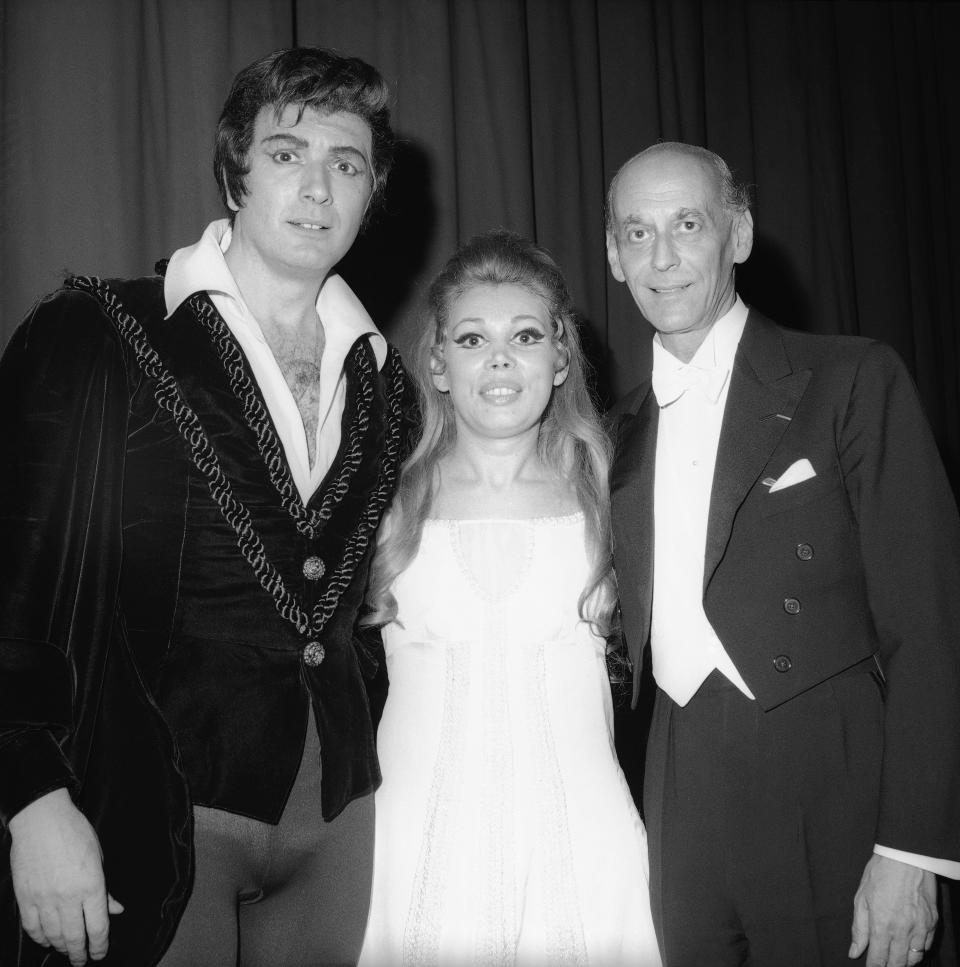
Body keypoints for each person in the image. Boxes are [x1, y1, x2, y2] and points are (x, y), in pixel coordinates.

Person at [0, 47, 409, 967]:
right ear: (235, 170)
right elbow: (11, 584)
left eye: (345, 164)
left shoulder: (389, 386)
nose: (316, 188)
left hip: (337, 821)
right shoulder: (98, 334)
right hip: (152, 807)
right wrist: (30, 798)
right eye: (286, 154)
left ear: (371, 190)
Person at [604, 140, 960, 967]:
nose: (661, 256)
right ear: (614, 256)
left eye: (687, 224)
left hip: (828, 767)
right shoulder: (609, 432)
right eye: (636, 232)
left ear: (739, 234)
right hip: (673, 777)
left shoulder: (851, 377)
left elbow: (932, 623)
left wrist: (910, 851)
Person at [356, 230, 661, 966]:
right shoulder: (378, 505)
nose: (499, 358)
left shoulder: (615, 500)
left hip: (586, 859)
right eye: (472, 337)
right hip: (419, 857)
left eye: (525, 335)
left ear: (560, 357)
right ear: (437, 361)